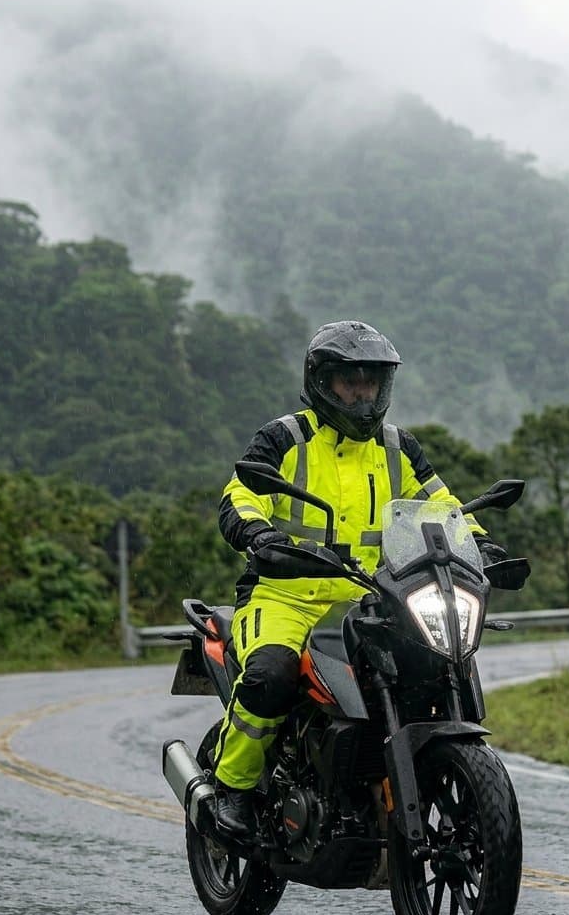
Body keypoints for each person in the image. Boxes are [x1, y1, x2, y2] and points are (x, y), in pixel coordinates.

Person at [213, 320, 506, 843]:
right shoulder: (286, 437)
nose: (362, 393)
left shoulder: (398, 448)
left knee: (430, 665)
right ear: (322, 382)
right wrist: (258, 534)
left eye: (371, 382)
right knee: (272, 673)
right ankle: (232, 790)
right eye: (351, 381)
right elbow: (241, 491)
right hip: (285, 595)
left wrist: (478, 544)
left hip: (370, 600)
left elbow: (443, 505)